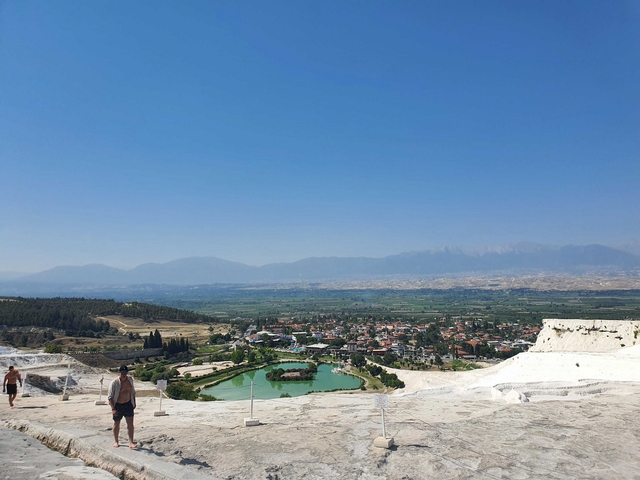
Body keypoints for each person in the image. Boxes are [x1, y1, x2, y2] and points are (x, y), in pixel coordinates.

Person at [107, 364, 137, 448]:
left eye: (125, 373)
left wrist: (134, 402)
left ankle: (131, 442)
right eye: (122, 373)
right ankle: (116, 441)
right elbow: (110, 397)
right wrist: (113, 409)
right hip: (118, 405)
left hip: (128, 404)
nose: (124, 375)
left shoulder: (130, 380)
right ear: (119, 372)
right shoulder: (114, 382)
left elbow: (133, 392)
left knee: (130, 423)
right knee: (117, 423)